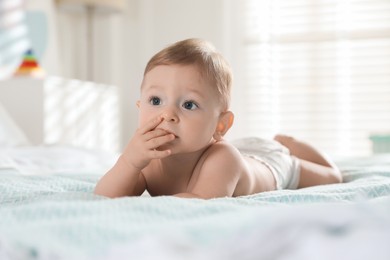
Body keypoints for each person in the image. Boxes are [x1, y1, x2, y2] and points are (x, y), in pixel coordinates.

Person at [94, 38, 342, 199]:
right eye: (156, 101)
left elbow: (197, 204)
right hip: (243, 148)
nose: (167, 114)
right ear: (139, 107)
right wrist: (129, 162)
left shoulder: (224, 159)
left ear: (220, 125)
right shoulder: (146, 159)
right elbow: (105, 197)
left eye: (189, 104)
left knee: (333, 177)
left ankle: (290, 144)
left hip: (271, 164)